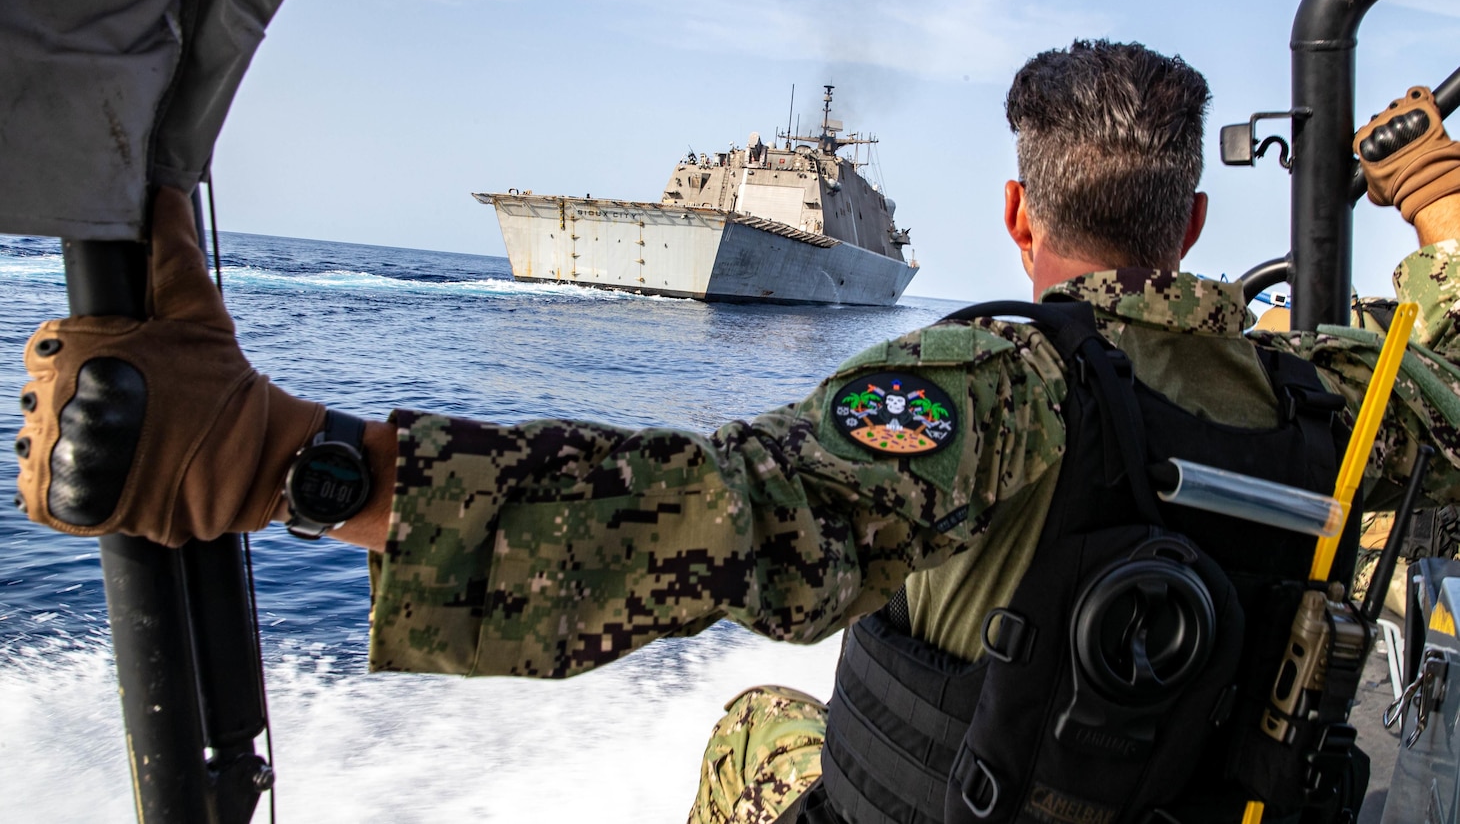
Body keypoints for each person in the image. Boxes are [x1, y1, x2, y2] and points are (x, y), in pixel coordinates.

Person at [15, 41, 1460, 823]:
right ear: (1194, 223)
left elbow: (706, 515)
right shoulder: (1342, 397)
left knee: (756, 728)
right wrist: (1437, 196)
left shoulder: (989, 385)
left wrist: (284, 459)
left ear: (1020, 213)